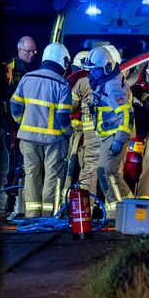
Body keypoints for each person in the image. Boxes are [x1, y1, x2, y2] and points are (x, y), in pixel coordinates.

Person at [10, 42, 72, 218]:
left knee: (31, 175)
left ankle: (31, 215)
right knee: (52, 177)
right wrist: (68, 133)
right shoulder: (62, 84)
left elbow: (15, 106)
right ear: (63, 62)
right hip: (53, 140)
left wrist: (22, 123)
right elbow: (62, 117)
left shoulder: (27, 78)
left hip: (28, 139)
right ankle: (48, 217)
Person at [84, 45, 134, 220]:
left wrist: (119, 140)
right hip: (108, 135)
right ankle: (118, 213)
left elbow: (127, 115)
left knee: (108, 173)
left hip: (115, 135)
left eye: (96, 70)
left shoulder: (112, 87)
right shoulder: (106, 81)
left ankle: (126, 211)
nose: (93, 74)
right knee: (106, 173)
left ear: (106, 67)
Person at [1, 36, 38, 213]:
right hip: (10, 122)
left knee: (26, 161)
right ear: (19, 50)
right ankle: (11, 198)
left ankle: (23, 201)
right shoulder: (8, 69)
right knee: (14, 159)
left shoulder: (33, 70)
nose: (32, 54)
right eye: (28, 51)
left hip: (28, 122)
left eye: (34, 51)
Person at [64, 51, 100, 200]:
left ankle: (71, 207)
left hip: (79, 135)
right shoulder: (107, 82)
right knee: (92, 171)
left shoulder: (80, 83)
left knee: (73, 172)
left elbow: (69, 107)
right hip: (95, 135)